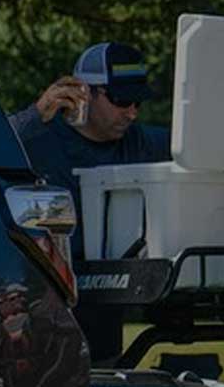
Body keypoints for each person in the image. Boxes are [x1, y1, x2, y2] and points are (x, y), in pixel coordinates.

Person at [9, 41, 170, 361]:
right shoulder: (37, 135)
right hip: (41, 306)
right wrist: (32, 116)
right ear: (84, 92)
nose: (132, 112)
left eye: (138, 101)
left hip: (104, 306)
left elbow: (191, 146)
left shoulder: (138, 142)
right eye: (122, 100)